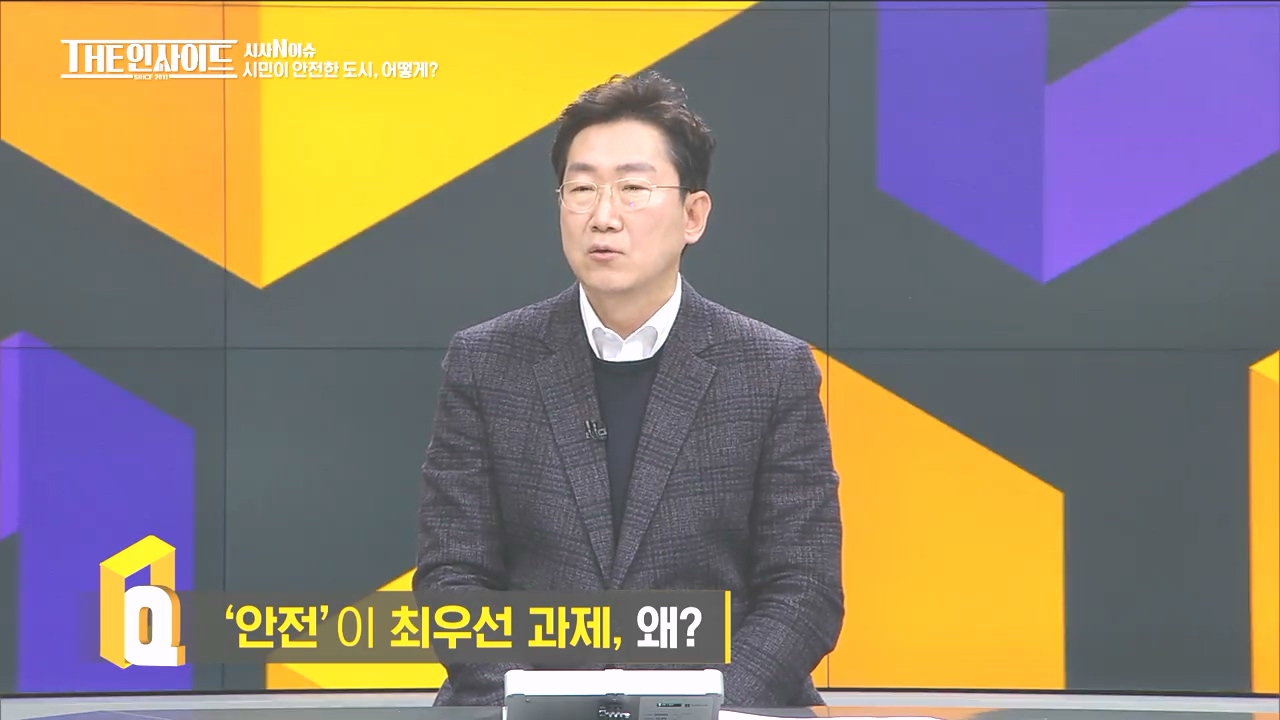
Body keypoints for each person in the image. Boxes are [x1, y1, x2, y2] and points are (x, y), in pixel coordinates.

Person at [413, 70, 843, 708]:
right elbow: (453, 576)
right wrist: (533, 703)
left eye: (633, 188)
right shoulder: (487, 361)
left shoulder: (771, 369)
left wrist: (702, 709)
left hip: (726, 708)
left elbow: (803, 589)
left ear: (693, 215)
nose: (603, 216)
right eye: (582, 188)